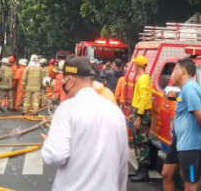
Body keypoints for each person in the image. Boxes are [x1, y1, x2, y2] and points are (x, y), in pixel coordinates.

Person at [41, 55, 128, 191]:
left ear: (70, 80)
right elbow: (122, 164)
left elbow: (55, 156)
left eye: (63, 79)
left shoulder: (66, 109)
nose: (62, 83)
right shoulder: (115, 112)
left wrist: (48, 143)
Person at [172, 58, 201, 191]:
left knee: (192, 185)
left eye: (175, 69)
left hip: (192, 146)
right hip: (187, 146)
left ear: (183, 71)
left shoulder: (189, 88)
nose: (173, 73)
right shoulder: (186, 89)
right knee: (187, 181)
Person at [129, 55, 152, 182]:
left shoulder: (143, 79)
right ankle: (140, 170)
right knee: (138, 141)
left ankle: (144, 171)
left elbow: (143, 99)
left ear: (137, 65)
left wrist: (138, 116)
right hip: (141, 112)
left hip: (141, 113)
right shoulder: (144, 78)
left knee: (142, 143)